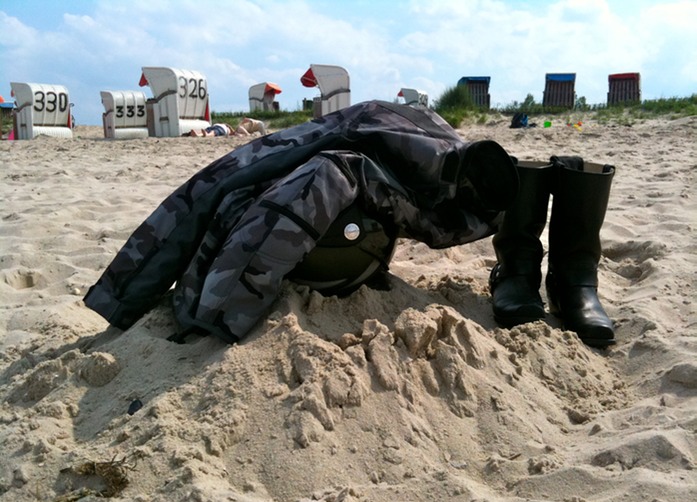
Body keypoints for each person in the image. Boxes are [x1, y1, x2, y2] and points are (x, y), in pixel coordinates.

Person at [84, 100, 519, 344]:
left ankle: (530, 278)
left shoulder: (463, 171)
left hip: (364, 218)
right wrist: (216, 313)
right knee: (274, 183)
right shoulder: (379, 150)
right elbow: (220, 185)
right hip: (316, 196)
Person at [489, 156, 616, 348]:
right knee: (524, 173)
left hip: (576, 282)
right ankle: (515, 271)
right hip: (515, 272)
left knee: (583, 178)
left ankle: (573, 283)